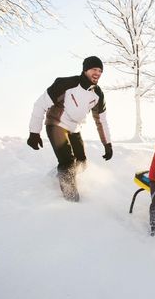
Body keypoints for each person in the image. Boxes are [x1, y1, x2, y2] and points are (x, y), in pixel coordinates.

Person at [27, 56, 113, 202]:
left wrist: (107, 144)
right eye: (94, 69)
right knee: (67, 162)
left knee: (82, 162)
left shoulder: (98, 94)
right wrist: (34, 132)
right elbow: (39, 104)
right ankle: (71, 200)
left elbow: (101, 120)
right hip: (56, 124)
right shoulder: (66, 84)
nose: (97, 73)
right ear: (85, 70)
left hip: (75, 128)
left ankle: (56, 178)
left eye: (100, 70)